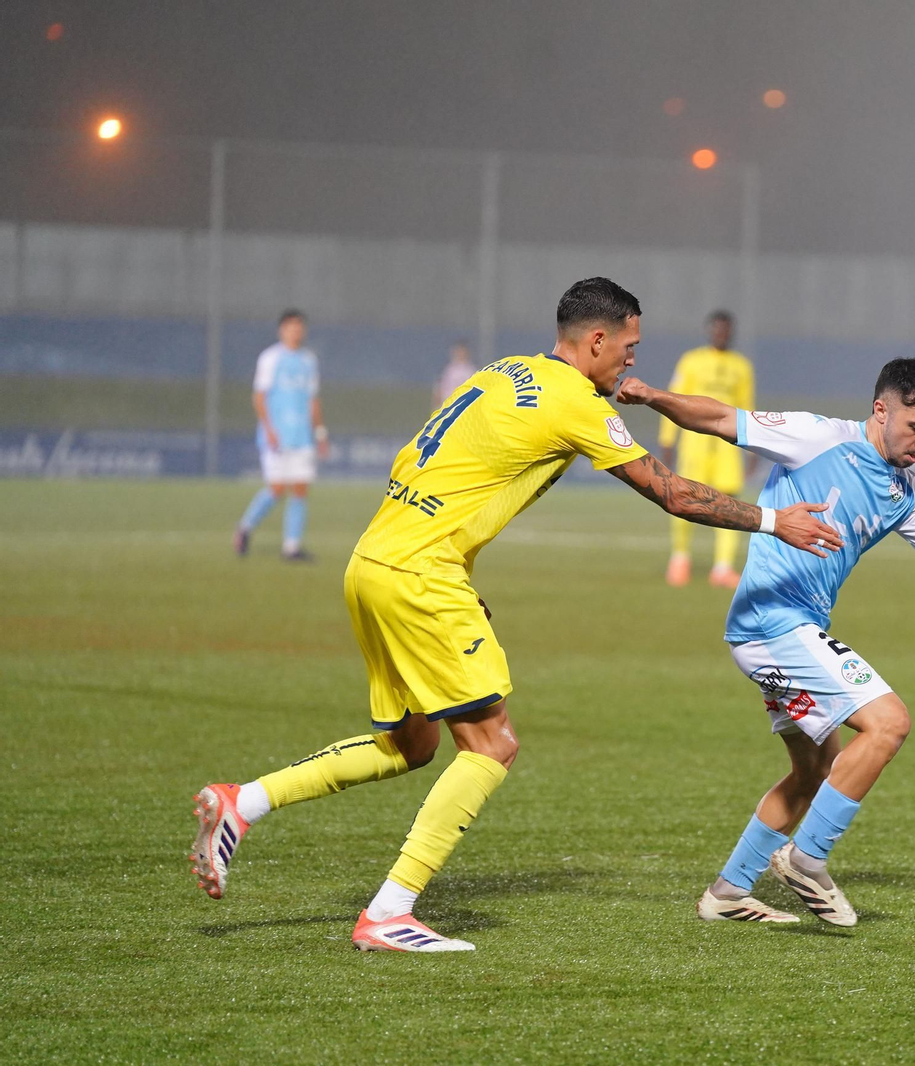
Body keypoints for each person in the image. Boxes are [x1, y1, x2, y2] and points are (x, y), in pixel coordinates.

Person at [189, 278, 842, 952]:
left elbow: (432, 460)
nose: (632, 360)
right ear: (596, 340)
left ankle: (244, 803)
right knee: (491, 744)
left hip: (374, 560)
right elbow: (671, 491)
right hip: (421, 575)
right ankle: (388, 912)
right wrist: (772, 520)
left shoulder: (503, 370)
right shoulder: (576, 402)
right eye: (630, 346)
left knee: (410, 745)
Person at [617, 358, 915, 924]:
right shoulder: (817, 437)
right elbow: (722, 418)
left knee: (815, 772)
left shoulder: (908, 494)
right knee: (889, 723)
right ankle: (806, 862)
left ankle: (727, 893)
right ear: (881, 409)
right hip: (774, 623)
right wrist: (649, 396)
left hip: (791, 629)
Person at [659, 310, 757, 588]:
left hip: (726, 446)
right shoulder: (691, 361)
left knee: (730, 501)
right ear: (709, 330)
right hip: (695, 443)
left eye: (726, 329)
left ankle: (723, 568)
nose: (721, 334)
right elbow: (673, 401)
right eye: (717, 329)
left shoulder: (742, 366)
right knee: (684, 497)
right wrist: (668, 440)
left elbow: (747, 408)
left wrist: (752, 448)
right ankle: (679, 559)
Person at [233, 310, 328, 561]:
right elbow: (259, 396)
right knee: (276, 489)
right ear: (281, 330)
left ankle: (292, 547)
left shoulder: (309, 360)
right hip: (277, 436)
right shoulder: (271, 358)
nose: (295, 331)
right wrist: (269, 429)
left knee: (300, 489)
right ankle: (245, 527)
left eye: (299, 326)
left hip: (303, 436)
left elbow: (312, 400)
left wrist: (320, 433)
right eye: (290, 326)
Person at [434, 340, 477, 409]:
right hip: (447, 406)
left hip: (462, 407)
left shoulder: (470, 370)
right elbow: (440, 388)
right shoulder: (449, 369)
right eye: (458, 351)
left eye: (462, 351)